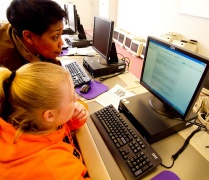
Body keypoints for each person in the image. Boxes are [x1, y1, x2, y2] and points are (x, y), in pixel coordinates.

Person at [0, 62, 90, 179]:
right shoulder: (54, 168)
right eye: (71, 98)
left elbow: (64, 125)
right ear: (50, 115)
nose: (77, 98)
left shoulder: (31, 123)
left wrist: (79, 112)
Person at [0, 0, 67, 71]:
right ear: (29, 37)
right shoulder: (5, 65)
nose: (61, 43)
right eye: (56, 37)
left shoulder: (25, 30)